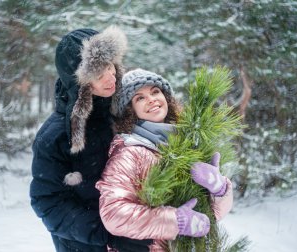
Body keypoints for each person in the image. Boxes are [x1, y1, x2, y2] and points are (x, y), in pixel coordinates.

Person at [96, 68, 234, 251]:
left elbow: (209, 218)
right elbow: (113, 214)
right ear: (129, 110)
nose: (152, 99)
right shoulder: (129, 153)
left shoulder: (186, 143)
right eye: (140, 98)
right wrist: (175, 220)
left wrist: (219, 190)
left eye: (155, 91)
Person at [29, 26, 129, 251]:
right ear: (80, 83)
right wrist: (107, 234)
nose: (110, 75)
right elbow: (48, 202)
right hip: (84, 245)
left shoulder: (123, 115)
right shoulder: (55, 136)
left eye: (111, 65)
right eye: (98, 72)